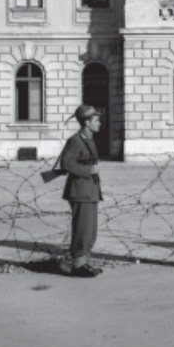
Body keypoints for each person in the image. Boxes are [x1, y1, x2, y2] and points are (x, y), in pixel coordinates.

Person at [61, 104, 103, 278]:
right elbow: (66, 163)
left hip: (90, 190)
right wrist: (89, 171)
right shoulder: (76, 140)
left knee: (90, 230)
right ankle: (78, 266)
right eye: (96, 120)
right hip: (80, 191)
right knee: (82, 229)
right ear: (87, 122)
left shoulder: (88, 138)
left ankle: (84, 263)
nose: (99, 123)